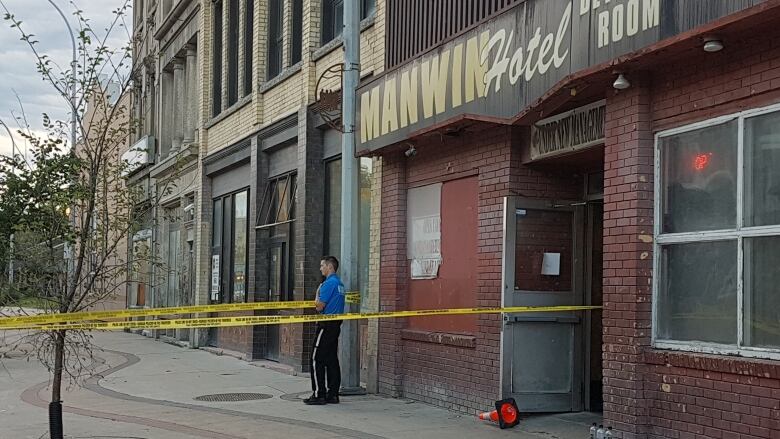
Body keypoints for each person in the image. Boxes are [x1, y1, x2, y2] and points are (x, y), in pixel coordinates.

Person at [303, 256, 345, 405]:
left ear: (330, 267)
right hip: (336, 325)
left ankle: (318, 393)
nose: (320, 268)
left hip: (326, 325)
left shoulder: (327, 284)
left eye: (322, 266)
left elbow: (319, 306)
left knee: (316, 358)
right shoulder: (340, 284)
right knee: (331, 359)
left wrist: (317, 293)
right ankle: (333, 394)